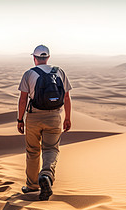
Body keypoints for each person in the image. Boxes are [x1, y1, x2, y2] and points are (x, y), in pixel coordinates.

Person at [17, 45, 72, 200]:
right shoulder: (59, 72)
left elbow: (23, 100)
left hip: (34, 117)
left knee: (33, 151)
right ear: (48, 57)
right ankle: (46, 175)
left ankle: (32, 185)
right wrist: (67, 118)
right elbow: (66, 97)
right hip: (55, 117)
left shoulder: (29, 74)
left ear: (34, 58)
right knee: (51, 149)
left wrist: (20, 119)